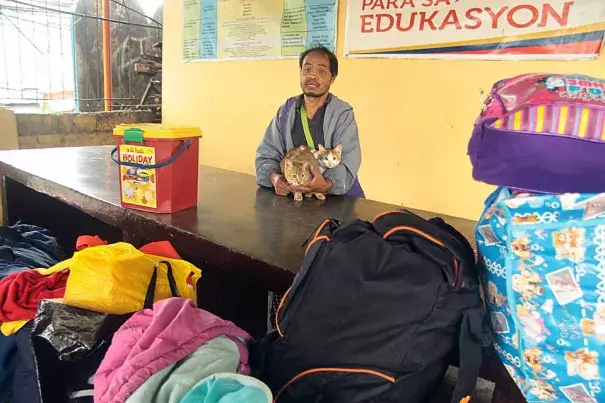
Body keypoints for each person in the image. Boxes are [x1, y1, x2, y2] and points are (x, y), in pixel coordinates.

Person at [255, 46, 364, 198]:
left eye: (321, 71)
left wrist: (326, 185)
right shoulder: (286, 111)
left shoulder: (342, 114)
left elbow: (348, 161)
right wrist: (275, 178)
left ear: (332, 78)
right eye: (307, 70)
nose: (312, 76)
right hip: (294, 198)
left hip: (336, 200)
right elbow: (267, 154)